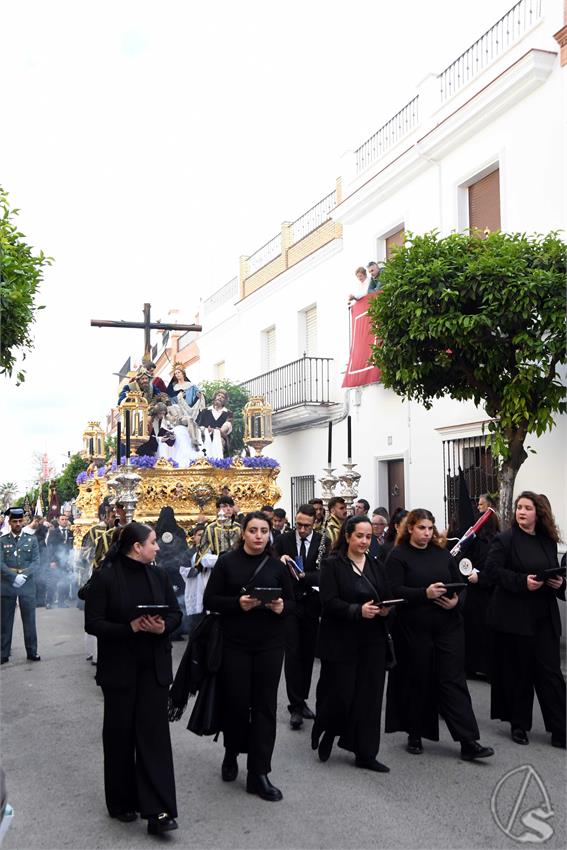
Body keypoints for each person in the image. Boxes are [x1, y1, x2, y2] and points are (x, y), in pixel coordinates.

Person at [84, 523, 181, 833]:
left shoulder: (159, 575)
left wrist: (162, 627)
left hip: (153, 668)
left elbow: (175, 614)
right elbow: (93, 623)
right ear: (137, 547)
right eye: (153, 542)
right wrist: (130, 628)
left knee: (154, 738)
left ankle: (159, 811)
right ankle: (122, 800)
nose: (157, 547)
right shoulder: (106, 577)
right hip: (119, 671)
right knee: (120, 735)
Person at [385, 509, 494, 761]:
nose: (426, 533)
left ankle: (468, 741)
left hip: (448, 626)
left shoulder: (442, 554)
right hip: (414, 629)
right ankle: (415, 733)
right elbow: (394, 590)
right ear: (410, 528)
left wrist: (455, 601)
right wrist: (424, 594)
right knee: (418, 680)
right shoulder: (398, 556)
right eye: (422, 528)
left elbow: (460, 584)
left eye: (430, 528)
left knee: (453, 681)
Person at [203, 512, 294, 801]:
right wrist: (237, 603)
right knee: (238, 704)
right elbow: (210, 600)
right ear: (243, 533)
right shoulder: (227, 563)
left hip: (269, 644)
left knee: (265, 706)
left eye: (264, 531)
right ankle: (232, 752)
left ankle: (259, 772)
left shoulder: (277, 566)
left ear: (270, 534)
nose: (258, 536)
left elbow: (294, 603)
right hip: (235, 644)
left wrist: (282, 608)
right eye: (253, 530)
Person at [312, 515, 393, 772]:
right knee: (341, 695)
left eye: (368, 536)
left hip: (372, 640)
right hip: (341, 639)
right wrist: (357, 610)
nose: (364, 541)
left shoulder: (376, 564)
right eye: (359, 536)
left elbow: (387, 595)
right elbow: (329, 602)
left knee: (370, 697)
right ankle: (327, 730)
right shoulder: (332, 565)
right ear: (347, 536)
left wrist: (386, 610)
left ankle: (365, 753)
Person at [485, 491, 566, 749]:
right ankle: (519, 725)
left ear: (538, 513)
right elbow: (492, 571)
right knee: (519, 673)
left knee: (551, 674)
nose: (521, 512)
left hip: (543, 616)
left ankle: (560, 728)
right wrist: (522, 582)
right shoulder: (505, 539)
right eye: (519, 507)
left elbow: (554, 570)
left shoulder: (547, 541)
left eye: (527, 508)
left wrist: (559, 582)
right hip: (515, 616)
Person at [274, 504, 322, 730]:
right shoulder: (283, 540)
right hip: (290, 603)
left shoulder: (323, 541)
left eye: (306, 526)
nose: (301, 530)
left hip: (312, 603)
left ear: (315, 523)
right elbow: (272, 564)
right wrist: (281, 561)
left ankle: (302, 698)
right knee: (292, 653)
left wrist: (305, 576)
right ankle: (294, 706)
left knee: (307, 653)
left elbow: (325, 573)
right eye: (299, 525)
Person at [462, 494, 499, 679]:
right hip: (474, 590)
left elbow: (496, 568)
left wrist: (481, 577)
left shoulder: (496, 540)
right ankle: (472, 666)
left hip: (488, 592)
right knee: (473, 629)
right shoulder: (474, 537)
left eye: (481, 505)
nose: (478, 509)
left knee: (486, 631)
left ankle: (489, 668)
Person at [1, 507, 41, 664]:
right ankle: (3, 653)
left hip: (27, 583)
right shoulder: (2, 541)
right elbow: (0, 563)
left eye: (20, 521)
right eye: (14, 521)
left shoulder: (31, 540)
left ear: (24, 521)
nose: (18, 524)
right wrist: (13, 577)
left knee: (29, 620)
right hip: (7, 584)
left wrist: (24, 576)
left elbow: (36, 562)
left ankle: (32, 651)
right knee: (5, 621)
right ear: (9, 522)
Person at [154, 507, 189, 640]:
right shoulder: (179, 531)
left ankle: (162, 627)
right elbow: (184, 550)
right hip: (177, 571)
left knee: (163, 599)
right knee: (178, 600)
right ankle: (178, 628)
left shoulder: (156, 531)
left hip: (161, 571)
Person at [179, 523, 206, 635]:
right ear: (194, 537)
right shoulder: (188, 553)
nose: (202, 537)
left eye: (204, 535)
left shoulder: (213, 551)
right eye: (199, 535)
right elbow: (183, 570)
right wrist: (197, 569)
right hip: (195, 589)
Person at [197, 389, 233, 458]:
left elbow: (226, 428)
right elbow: (199, 426)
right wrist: (206, 430)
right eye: (218, 395)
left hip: (220, 442)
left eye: (222, 397)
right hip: (205, 439)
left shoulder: (228, 413)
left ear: (225, 401)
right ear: (215, 397)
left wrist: (216, 431)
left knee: (220, 442)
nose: (220, 397)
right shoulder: (205, 411)